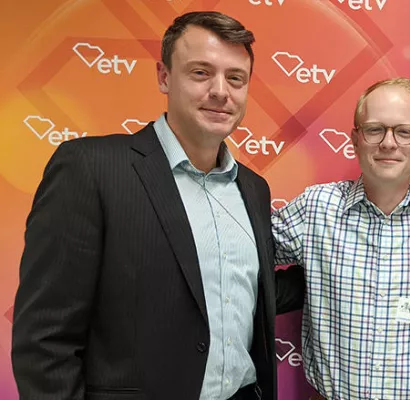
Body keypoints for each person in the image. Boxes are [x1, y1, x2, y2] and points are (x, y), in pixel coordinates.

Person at [12, 11, 302, 400]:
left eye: (236, 78)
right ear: (164, 77)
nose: (221, 91)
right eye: (201, 73)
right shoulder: (91, 168)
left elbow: (245, 290)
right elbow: (44, 340)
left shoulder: (253, 189)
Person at [271, 77, 410, 399]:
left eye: (404, 131)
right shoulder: (316, 209)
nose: (388, 143)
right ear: (355, 139)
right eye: (374, 129)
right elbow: (242, 254)